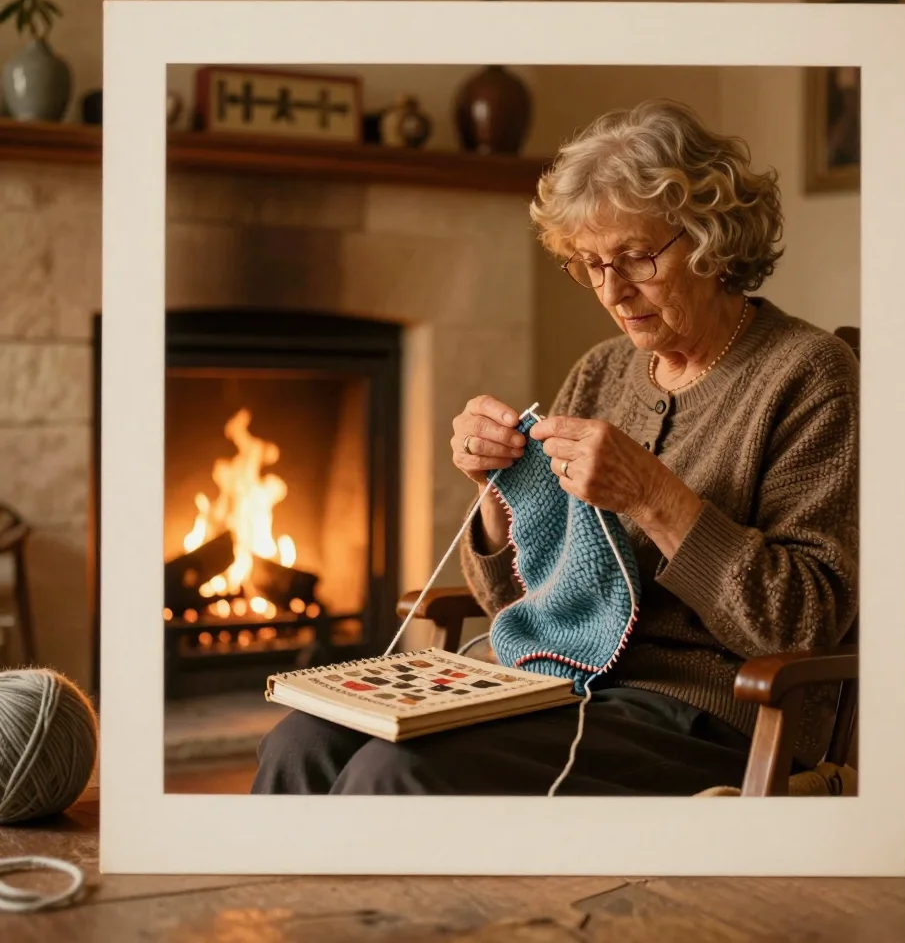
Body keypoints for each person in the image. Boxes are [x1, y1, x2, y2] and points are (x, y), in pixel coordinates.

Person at [251, 99, 859, 796]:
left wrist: (654, 496)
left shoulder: (808, 373)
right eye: (589, 264)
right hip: (558, 684)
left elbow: (804, 624)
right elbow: (525, 597)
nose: (611, 290)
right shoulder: (601, 370)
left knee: (401, 772)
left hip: (710, 713)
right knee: (301, 741)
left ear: (712, 237)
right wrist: (496, 497)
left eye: (635, 257)